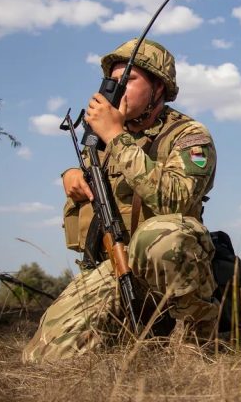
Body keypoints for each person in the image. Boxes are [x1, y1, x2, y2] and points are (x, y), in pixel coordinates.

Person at [23, 38, 219, 363]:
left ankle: (200, 340)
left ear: (158, 87)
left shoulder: (188, 135)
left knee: (162, 236)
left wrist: (116, 136)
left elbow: (176, 199)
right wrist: (71, 175)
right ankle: (129, 333)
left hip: (166, 269)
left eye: (128, 80)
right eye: (111, 82)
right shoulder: (101, 141)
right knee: (44, 356)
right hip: (115, 265)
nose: (117, 89)